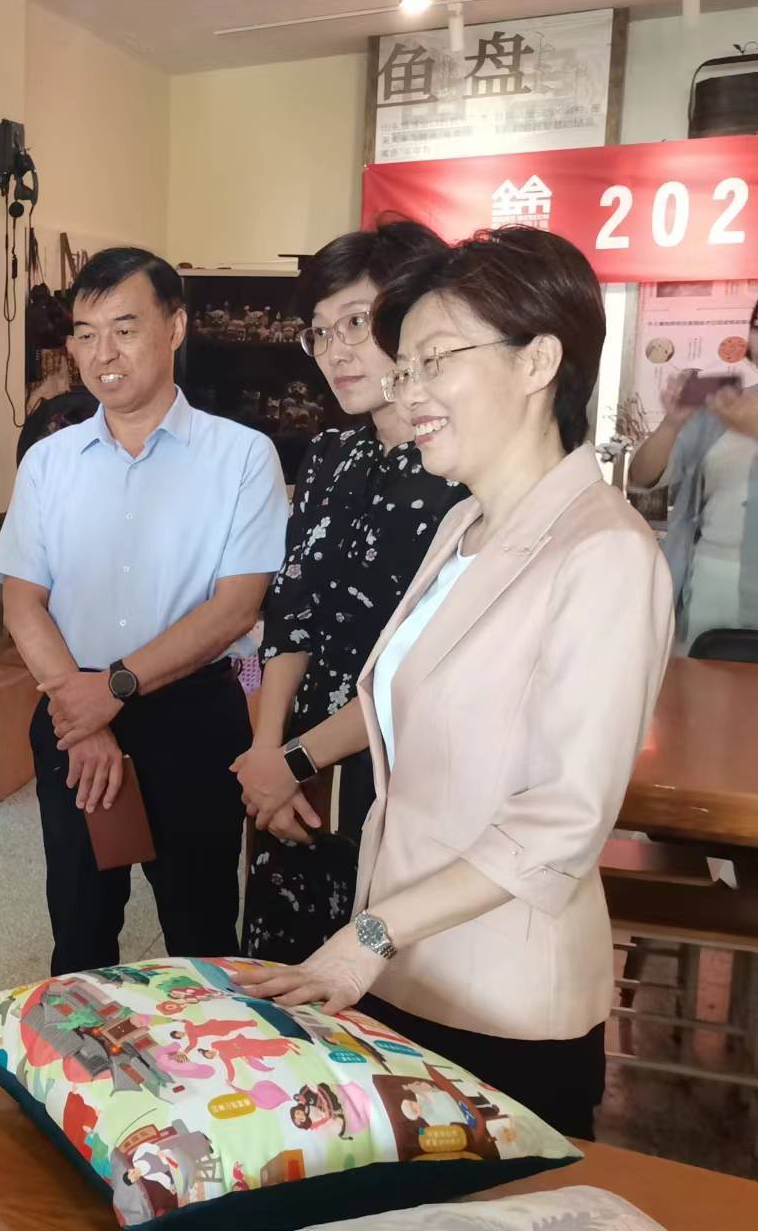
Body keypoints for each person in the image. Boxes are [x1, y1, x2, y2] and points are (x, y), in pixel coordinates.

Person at [237, 227, 674, 1141]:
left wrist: (372, 933)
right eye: (405, 369)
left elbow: (562, 820)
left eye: (435, 361)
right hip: (408, 969)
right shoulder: (465, 527)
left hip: (502, 999)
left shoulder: (604, 551)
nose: (409, 392)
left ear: (538, 362)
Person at [0, 245, 288, 976]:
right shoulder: (49, 461)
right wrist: (82, 710)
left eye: (125, 329)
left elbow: (236, 608)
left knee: (201, 932)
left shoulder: (242, 456)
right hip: (73, 716)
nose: (103, 354)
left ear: (174, 327)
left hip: (191, 720)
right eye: (86, 334)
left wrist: (114, 688)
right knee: (80, 932)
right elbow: (22, 599)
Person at [235, 219, 466, 965]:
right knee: (282, 976)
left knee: (376, 979)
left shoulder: (464, 470)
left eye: (357, 323)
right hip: (295, 764)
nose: (335, 351)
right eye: (320, 332)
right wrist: (268, 753)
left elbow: (425, 663)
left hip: (402, 768)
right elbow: (291, 614)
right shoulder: (331, 454)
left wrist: (292, 762)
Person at [628, 299, 758, 650]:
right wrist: (671, 424)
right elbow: (642, 478)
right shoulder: (724, 408)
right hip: (710, 579)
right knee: (703, 677)